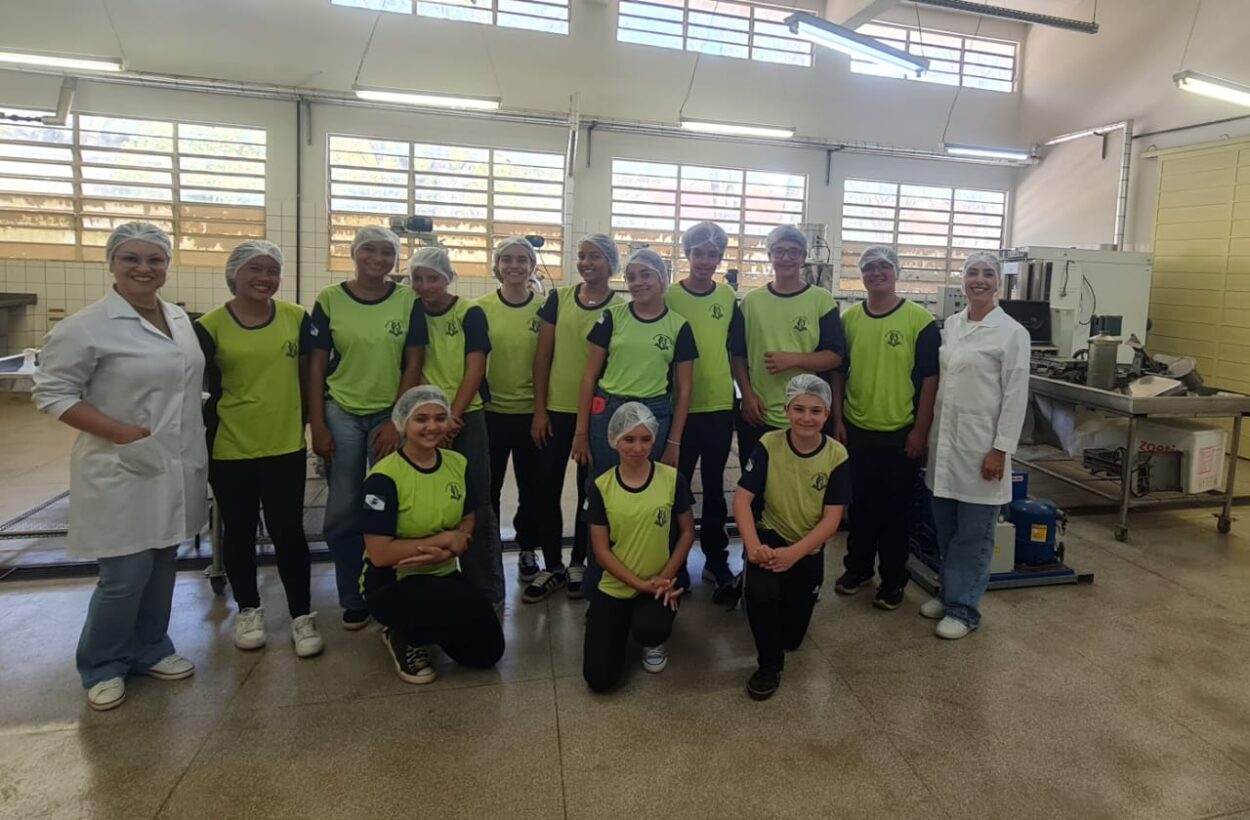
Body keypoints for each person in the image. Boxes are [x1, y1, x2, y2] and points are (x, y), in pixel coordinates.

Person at [32, 222, 207, 711]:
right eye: (131, 258)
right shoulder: (86, 326)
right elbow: (51, 392)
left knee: (162, 565)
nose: (144, 268)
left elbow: (181, 382)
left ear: (168, 265)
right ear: (111, 263)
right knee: (125, 574)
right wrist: (122, 433)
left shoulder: (175, 316)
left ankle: (152, 648)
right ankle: (102, 663)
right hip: (120, 464)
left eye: (155, 259)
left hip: (175, 461)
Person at [195, 240, 322, 658]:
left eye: (272, 270)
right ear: (234, 273)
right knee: (239, 530)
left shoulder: (295, 319)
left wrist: (310, 423)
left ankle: (302, 615)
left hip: (283, 444)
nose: (264, 278)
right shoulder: (210, 326)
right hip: (231, 445)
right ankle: (249, 609)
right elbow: (201, 388)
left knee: (289, 531)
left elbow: (309, 377)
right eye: (255, 269)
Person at [307, 226, 426, 631]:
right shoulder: (330, 299)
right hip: (342, 409)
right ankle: (352, 595)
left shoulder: (407, 300)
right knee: (343, 505)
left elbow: (413, 363)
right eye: (369, 251)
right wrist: (317, 424)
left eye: (386, 253)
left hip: (389, 415)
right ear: (354, 254)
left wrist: (398, 420)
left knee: (388, 502)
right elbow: (317, 366)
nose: (378, 259)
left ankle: (386, 588)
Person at [572, 247, 698, 595]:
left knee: (656, 498)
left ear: (662, 279)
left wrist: (673, 441)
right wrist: (581, 432)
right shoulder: (612, 318)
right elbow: (589, 377)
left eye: (646, 275)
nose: (638, 282)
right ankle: (601, 586)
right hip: (609, 413)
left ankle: (665, 581)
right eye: (631, 277)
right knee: (605, 495)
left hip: (654, 413)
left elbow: (684, 390)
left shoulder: (678, 326)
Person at [360, 386, 506, 684]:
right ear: (403, 423)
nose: (432, 427)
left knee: (487, 653)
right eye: (421, 419)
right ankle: (401, 634)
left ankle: (424, 624)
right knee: (453, 606)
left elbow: (468, 520)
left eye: (440, 418)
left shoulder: (457, 464)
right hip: (393, 581)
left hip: (442, 572)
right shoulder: (384, 477)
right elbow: (379, 553)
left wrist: (452, 549)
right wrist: (441, 542)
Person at [922, 252, 1029, 639]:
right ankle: (950, 592)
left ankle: (966, 607)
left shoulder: (1012, 333)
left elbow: (1016, 396)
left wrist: (1000, 448)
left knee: (975, 533)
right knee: (946, 528)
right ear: (962, 279)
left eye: (987, 274)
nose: (979, 280)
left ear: (998, 283)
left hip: (983, 446)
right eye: (972, 273)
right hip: (946, 445)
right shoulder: (952, 324)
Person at [831, 244, 939, 611]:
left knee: (895, 512)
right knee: (859, 507)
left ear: (896, 272)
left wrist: (920, 430)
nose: (876, 273)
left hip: (900, 430)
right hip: (858, 427)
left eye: (883, 267)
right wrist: (838, 419)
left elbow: (929, 379)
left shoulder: (918, 320)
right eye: (868, 268)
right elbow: (839, 373)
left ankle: (893, 579)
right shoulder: (849, 320)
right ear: (860, 275)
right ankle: (858, 569)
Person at [734, 375, 849, 700]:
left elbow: (831, 520)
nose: (806, 418)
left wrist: (795, 554)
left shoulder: (837, 455)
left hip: (807, 547)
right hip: (771, 538)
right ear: (786, 410)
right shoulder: (769, 444)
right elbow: (742, 499)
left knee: (792, 636)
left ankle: (781, 599)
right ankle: (769, 666)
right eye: (799, 409)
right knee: (762, 596)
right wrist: (754, 547)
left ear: (826, 414)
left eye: (815, 411)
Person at [408, 246, 505, 611]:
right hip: (423, 420)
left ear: (449, 278)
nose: (425, 285)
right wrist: (426, 418)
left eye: (433, 278)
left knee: (475, 501)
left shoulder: (469, 313)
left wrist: (451, 417)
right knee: (427, 502)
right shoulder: (411, 311)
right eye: (417, 278)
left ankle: (487, 591)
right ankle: (434, 579)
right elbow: (412, 365)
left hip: (466, 418)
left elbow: (475, 369)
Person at [531, 234, 621, 600]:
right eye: (581, 256)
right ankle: (551, 564)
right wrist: (539, 410)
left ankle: (580, 560)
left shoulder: (620, 308)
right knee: (547, 489)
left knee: (591, 492)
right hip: (556, 410)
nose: (586, 263)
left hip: (598, 413)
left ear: (611, 264)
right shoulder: (559, 299)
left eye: (595, 257)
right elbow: (542, 358)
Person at [583, 403, 695, 692]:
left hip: (660, 583)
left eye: (645, 439)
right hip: (617, 585)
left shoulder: (672, 479)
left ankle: (651, 640)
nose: (637, 448)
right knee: (599, 679)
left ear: (654, 440)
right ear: (614, 440)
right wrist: (638, 585)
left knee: (650, 628)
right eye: (629, 439)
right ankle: (619, 624)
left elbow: (686, 533)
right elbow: (601, 552)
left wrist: (665, 577)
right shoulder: (601, 487)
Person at [665, 222, 743, 601]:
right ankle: (675, 562)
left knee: (714, 488)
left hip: (716, 404)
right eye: (699, 253)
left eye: (713, 254)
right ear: (687, 254)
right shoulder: (669, 296)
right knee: (675, 487)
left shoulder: (727, 297)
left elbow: (734, 349)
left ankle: (716, 558)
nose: (706, 261)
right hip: (679, 407)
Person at [730, 224, 844, 469]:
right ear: (769, 256)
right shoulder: (752, 302)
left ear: (803, 257)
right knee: (755, 487)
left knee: (800, 488)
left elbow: (835, 356)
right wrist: (747, 394)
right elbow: (738, 354)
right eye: (779, 251)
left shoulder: (820, 300)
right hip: (760, 412)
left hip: (806, 415)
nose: (786, 258)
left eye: (793, 251)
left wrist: (792, 359)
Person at [476, 238, 547, 598]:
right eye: (508, 259)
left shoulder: (545, 309)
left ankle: (527, 548)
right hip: (490, 414)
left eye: (522, 259)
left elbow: (548, 363)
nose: (515, 266)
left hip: (531, 414)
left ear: (533, 265)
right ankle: (486, 554)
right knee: (488, 488)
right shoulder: (481, 308)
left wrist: (540, 411)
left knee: (531, 487)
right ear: (497, 265)